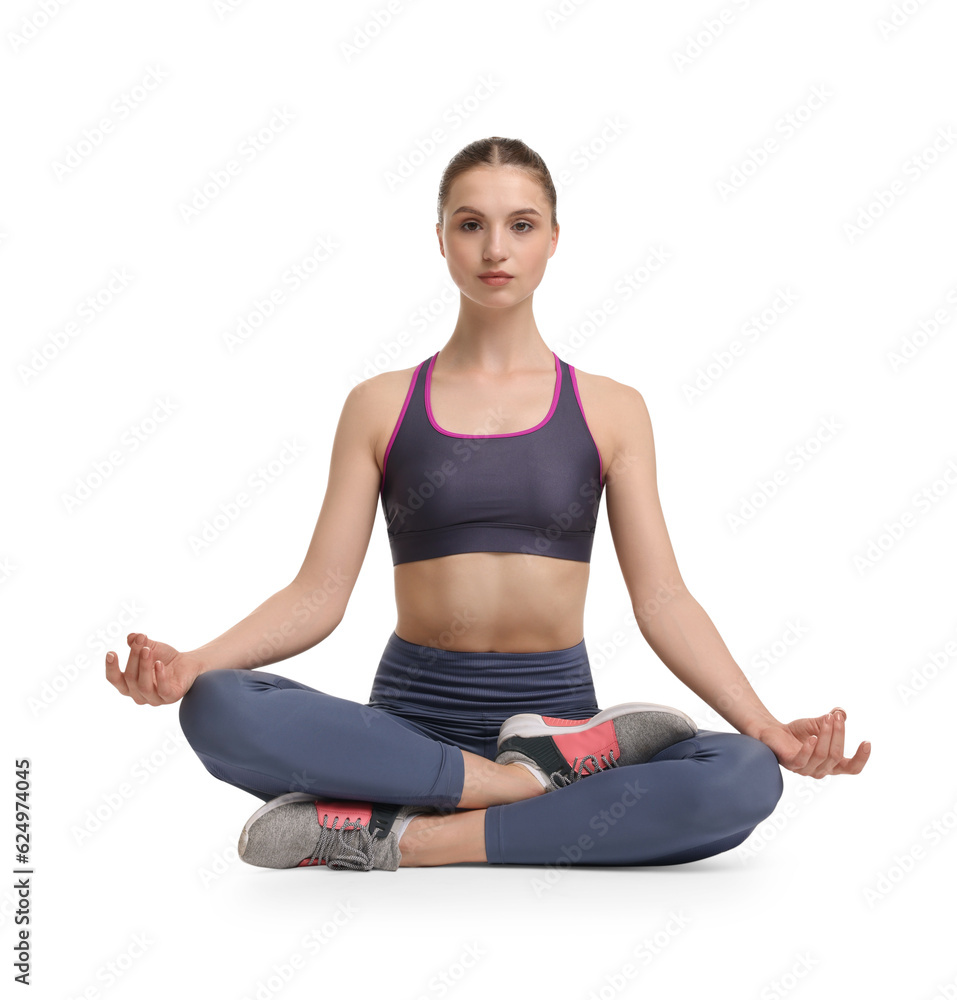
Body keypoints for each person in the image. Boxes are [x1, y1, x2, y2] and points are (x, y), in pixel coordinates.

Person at [105, 136, 870, 872]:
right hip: (405, 729)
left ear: (554, 240)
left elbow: (663, 598)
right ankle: (514, 788)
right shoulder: (380, 404)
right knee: (216, 708)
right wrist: (192, 664)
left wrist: (766, 729)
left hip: (565, 723)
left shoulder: (612, 409)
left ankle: (408, 837)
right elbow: (320, 593)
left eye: (520, 225)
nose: (495, 248)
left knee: (741, 776)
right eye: (470, 225)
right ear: (440, 240)